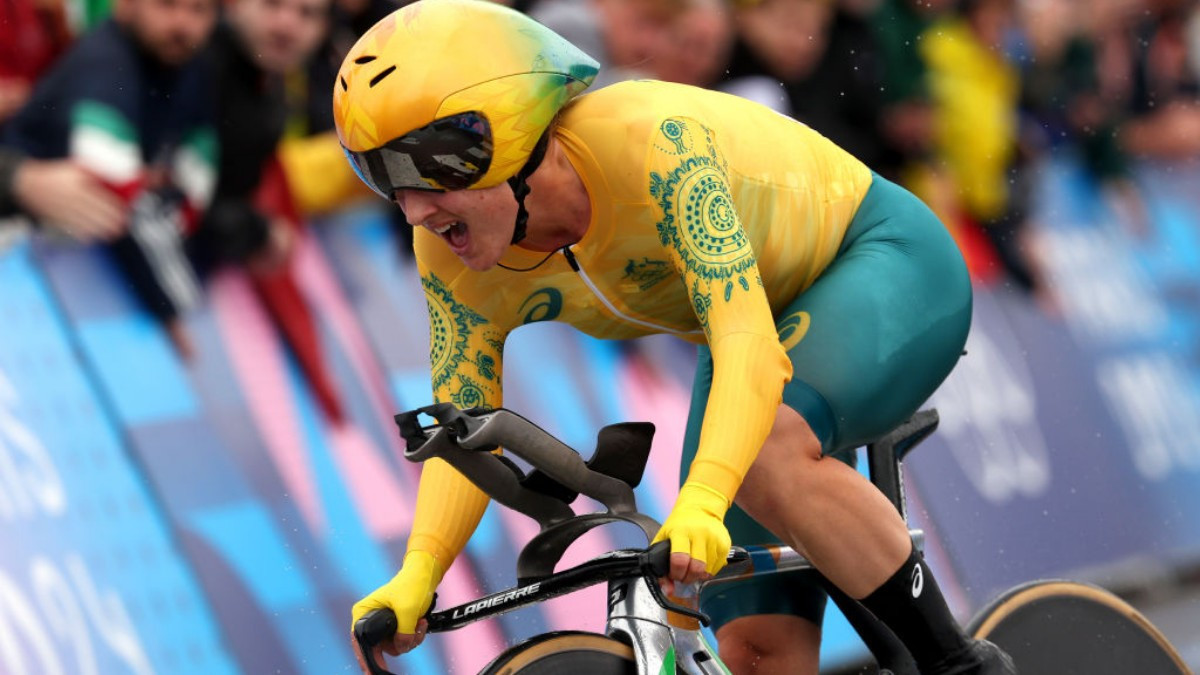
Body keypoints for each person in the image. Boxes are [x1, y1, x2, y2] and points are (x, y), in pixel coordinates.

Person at [335, 2, 1015, 674]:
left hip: (879, 259)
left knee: (762, 456)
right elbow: (465, 429)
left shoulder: (655, 145)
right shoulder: (445, 252)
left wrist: (705, 497)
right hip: (755, 324)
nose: (415, 208)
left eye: (426, 166)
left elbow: (746, 338)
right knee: (754, 650)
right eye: (381, 173)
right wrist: (419, 574)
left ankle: (961, 665)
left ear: (508, 133)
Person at [4, 0, 219, 358]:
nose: (183, 23)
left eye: (199, 10)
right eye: (167, 5)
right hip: (20, 247)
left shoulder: (186, 64)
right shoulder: (105, 63)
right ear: (124, 6)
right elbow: (114, 194)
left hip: (64, 256)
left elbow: (196, 172)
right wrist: (172, 306)